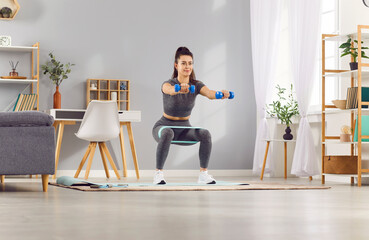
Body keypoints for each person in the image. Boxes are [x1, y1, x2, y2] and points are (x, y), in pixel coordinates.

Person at [152, 46, 231, 184]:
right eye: (183, 63)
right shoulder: (168, 84)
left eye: (190, 63)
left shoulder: (196, 84)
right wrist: (178, 89)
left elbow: (210, 93)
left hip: (183, 129)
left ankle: (203, 175)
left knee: (205, 134)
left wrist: (221, 94)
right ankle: (158, 174)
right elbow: (168, 90)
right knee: (167, 133)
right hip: (163, 127)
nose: (187, 66)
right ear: (176, 65)